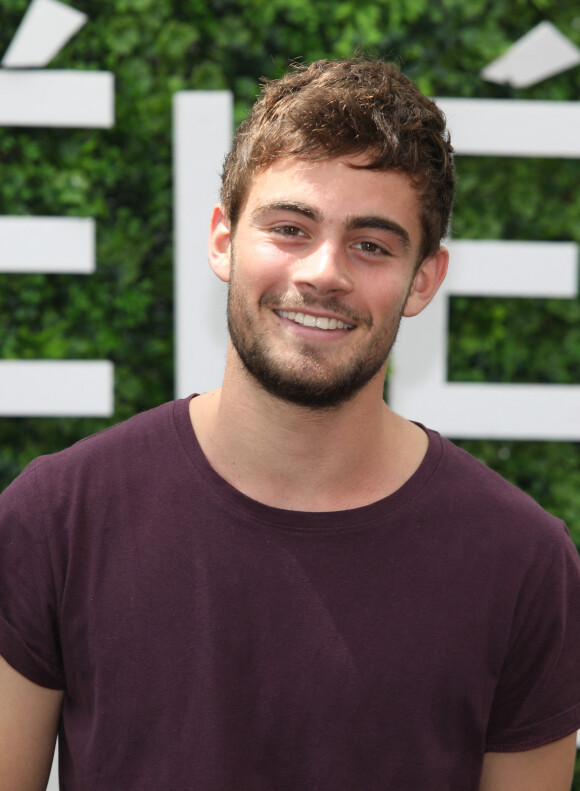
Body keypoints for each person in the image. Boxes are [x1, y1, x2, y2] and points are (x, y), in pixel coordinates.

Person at [1, 57, 579, 791]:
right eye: (289, 227)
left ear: (423, 279)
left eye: (372, 244)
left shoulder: (523, 562)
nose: (323, 271)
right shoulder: (58, 516)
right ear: (222, 239)